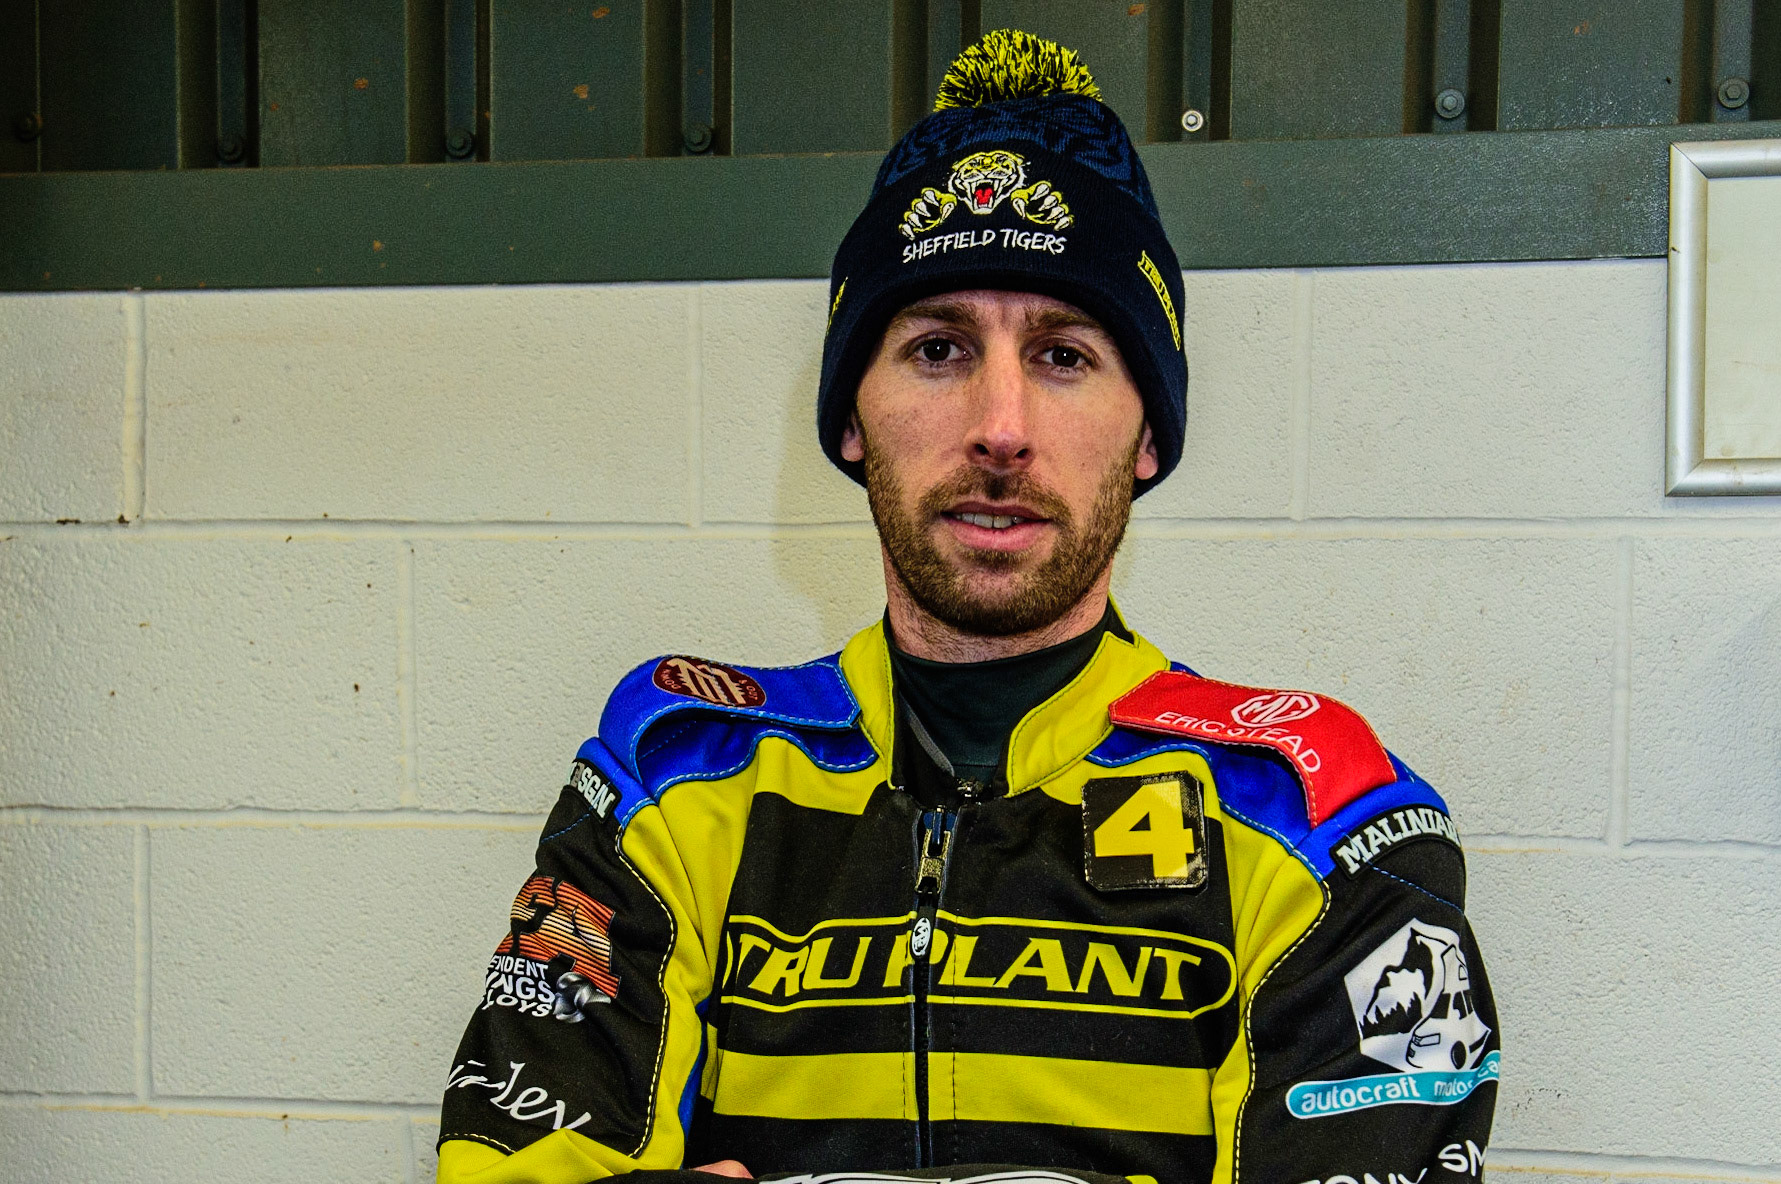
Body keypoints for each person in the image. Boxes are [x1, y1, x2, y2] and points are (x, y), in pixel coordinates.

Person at [437, 30, 1499, 1184]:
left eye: (1063, 354)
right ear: (851, 421)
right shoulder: (672, 774)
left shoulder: (1322, 814)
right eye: (936, 347)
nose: (999, 425)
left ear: (1147, 434)